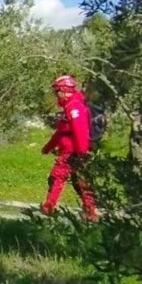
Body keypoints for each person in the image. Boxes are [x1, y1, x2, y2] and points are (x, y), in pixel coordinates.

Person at [40, 74, 99, 221]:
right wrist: (48, 147)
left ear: (64, 91)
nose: (56, 95)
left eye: (57, 91)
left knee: (59, 178)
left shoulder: (74, 107)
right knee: (79, 181)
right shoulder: (70, 106)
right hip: (71, 151)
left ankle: (49, 207)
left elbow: (80, 131)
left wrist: (81, 153)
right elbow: (61, 132)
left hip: (73, 152)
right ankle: (90, 211)